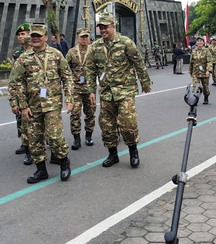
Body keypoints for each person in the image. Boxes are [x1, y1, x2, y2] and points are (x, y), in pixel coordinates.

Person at [8, 23, 74, 184]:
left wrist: (70, 98)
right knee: (34, 140)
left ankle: (64, 162)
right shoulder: (24, 58)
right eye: (33, 36)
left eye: (39, 36)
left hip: (52, 104)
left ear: (45, 37)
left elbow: (67, 77)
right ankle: (41, 170)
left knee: (54, 137)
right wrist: (22, 105)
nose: (36, 39)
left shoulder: (56, 55)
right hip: (32, 106)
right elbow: (16, 82)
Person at [86, 13, 152, 169]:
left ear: (113, 27)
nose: (103, 30)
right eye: (100, 27)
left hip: (125, 90)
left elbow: (138, 62)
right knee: (107, 125)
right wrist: (91, 91)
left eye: (106, 27)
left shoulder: (125, 43)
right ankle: (112, 154)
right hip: (107, 92)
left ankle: (133, 152)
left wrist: (145, 82)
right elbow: (89, 70)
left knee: (128, 123)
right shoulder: (95, 47)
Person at [65, 28, 96, 150]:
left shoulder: (93, 51)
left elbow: (100, 68)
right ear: (78, 38)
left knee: (90, 113)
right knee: (75, 114)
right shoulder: (72, 52)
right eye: (82, 37)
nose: (85, 39)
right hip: (76, 88)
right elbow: (66, 69)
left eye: (86, 37)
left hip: (89, 89)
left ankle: (89, 136)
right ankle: (76, 138)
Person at [10, 23, 33, 166]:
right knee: (22, 120)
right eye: (19, 35)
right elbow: (13, 76)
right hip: (21, 91)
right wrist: (13, 99)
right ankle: (26, 146)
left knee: (35, 122)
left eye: (23, 34)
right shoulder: (17, 53)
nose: (20, 37)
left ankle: (37, 146)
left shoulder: (38, 49)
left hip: (36, 92)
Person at [189, 37, 213, 104]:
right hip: (196, 72)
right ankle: (195, 99)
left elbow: (209, 61)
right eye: (198, 41)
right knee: (195, 86)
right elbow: (191, 62)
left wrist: (208, 70)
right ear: (196, 43)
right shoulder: (194, 51)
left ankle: (206, 97)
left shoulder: (206, 51)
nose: (199, 42)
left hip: (204, 72)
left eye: (201, 41)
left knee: (205, 87)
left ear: (203, 42)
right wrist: (190, 71)